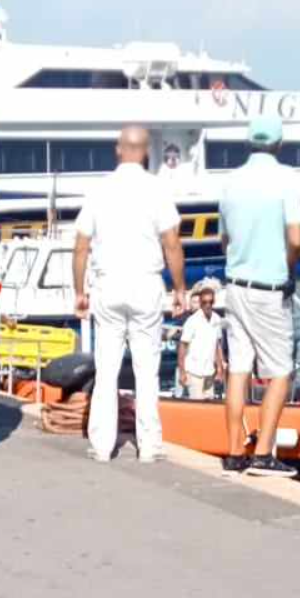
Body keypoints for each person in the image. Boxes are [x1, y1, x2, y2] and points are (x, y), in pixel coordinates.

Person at [73, 126, 187, 463]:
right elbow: (172, 244)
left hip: (107, 284)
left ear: (118, 150)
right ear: (146, 152)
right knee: (146, 369)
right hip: (145, 284)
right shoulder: (157, 190)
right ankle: (149, 446)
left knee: (106, 369)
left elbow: (80, 247)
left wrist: (80, 292)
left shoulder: (99, 190)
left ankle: (102, 445)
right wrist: (180, 288)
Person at [219, 115, 300, 478]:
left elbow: (224, 239)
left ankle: (235, 451)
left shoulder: (231, 181)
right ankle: (264, 454)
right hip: (269, 290)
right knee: (280, 370)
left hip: (234, 286)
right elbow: (297, 238)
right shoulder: (286, 178)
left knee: (239, 368)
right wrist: (288, 269)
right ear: (279, 144)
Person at [178, 287, 225, 400]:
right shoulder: (192, 321)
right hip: (194, 371)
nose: (208, 305)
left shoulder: (217, 319)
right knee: (197, 407)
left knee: (210, 409)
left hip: (209, 372)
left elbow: (217, 345)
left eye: (210, 302)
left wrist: (220, 368)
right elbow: (183, 347)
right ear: (200, 303)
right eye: (204, 302)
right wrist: (182, 371)